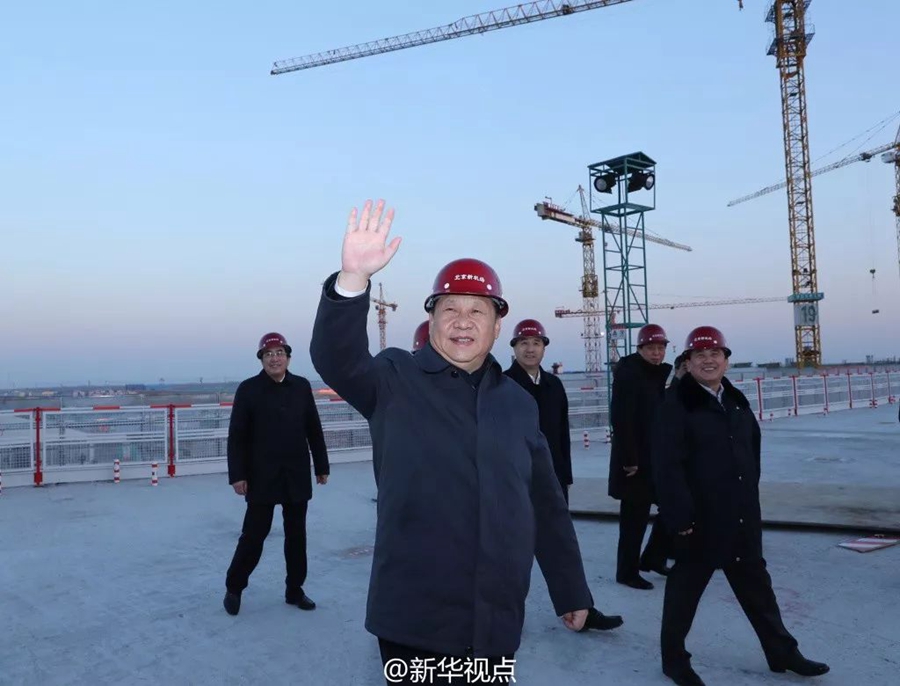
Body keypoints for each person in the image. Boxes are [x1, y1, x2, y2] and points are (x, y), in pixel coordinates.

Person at [310, 199, 615, 685]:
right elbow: (336, 357)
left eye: (478, 310)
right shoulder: (395, 378)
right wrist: (352, 280)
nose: (463, 320)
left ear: (497, 326)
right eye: (449, 308)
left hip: (496, 618)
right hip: (414, 620)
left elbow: (545, 503)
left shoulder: (517, 403)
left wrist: (571, 589)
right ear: (432, 321)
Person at [651, 326, 830, 686]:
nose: (708, 360)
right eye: (699, 355)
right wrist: (680, 518)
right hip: (699, 520)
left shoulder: (735, 401)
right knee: (684, 594)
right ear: (688, 363)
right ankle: (674, 661)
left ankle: (782, 651)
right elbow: (666, 467)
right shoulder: (677, 404)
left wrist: (748, 498)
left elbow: (752, 453)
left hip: (740, 515)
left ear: (726, 361)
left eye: (715, 353)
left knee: (757, 589)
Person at [504, 317, 624, 632]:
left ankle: (580, 608)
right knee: (510, 554)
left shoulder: (554, 386)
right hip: (515, 481)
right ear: (514, 348)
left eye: (536, 343)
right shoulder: (502, 386)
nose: (530, 349)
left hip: (552, 479)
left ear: (544, 348)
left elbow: (561, 436)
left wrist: (564, 478)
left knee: (563, 548)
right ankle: (501, 616)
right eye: (523, 343)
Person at [223, 332, 330, 616]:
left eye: (280, 353)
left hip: (296, 473)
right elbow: (237, 436)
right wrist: (238, 475)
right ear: (261, 359)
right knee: (254, 535)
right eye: (268, 354)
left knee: (297, 537)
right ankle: (234, 588)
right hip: (261, 476)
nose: (275, 359)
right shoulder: (248, 389)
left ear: (288, 357)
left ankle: (295, 590)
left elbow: (313, 428)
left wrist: (321, 466)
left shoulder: (301, 387)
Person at [608, 323, 674, 590]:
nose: (657, 353)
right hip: (635, 462)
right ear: (640, 349)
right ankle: (626, 572)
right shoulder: (630, 374)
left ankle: (654, 557)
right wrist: (629, 459)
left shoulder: (654, 374)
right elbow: (621, 418)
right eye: (651, 348)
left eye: (660, 348)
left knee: (672, 506)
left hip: (655, 457)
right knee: (634, 519)